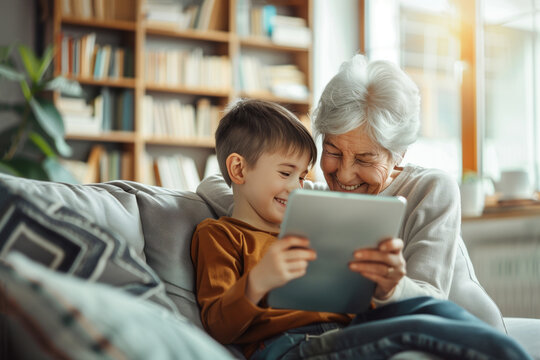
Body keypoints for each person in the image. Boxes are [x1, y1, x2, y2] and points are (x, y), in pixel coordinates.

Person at [191, 98, 532, 359]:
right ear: (238, 168)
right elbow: (218, 325)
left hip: (348, 329)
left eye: (303, 175)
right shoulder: (218, 236)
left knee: (431, 309)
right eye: (285, 174)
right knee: (413, 330)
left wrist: (377, 276)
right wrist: (259, 281)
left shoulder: (307, 223)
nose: (298, 187)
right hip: (291, 347)